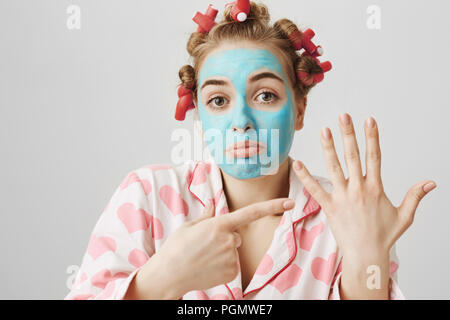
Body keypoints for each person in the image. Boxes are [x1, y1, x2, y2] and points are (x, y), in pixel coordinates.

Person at [65, 0, 436, 300]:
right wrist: (159, 280)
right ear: (199, 114)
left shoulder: (346, 217)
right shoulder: (146, 198)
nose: (241, 121)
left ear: (300, 110)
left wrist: (367, 262)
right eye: (218, 100)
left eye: (265, 95)